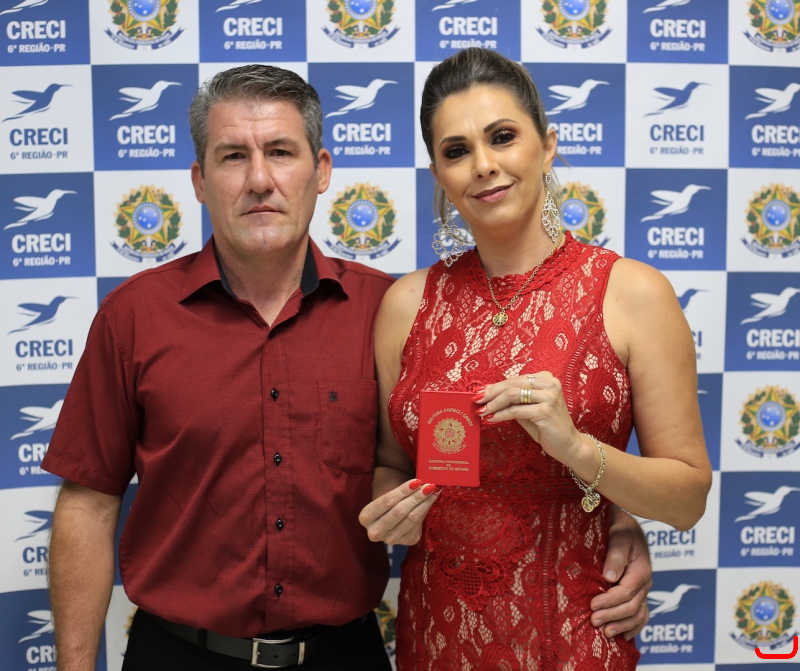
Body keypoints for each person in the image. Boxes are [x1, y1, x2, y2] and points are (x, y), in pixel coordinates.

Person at [42, 64, 652, 671]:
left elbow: (489, 457)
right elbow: (87, 503)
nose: (259, 179)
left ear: (322, 171)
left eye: (281, 152)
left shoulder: (391, 311)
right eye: (232, 157)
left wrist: (615, 520)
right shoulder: (134, 316)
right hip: (178, 655)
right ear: (200, 180)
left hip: (344, 653)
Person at [359, 48, 712, 670]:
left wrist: (576, 448)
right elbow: (391, 462)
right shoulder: (405, 304)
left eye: (502, 137)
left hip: (572, 635)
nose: (484, 165)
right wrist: (394, 510)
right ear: (439, 174)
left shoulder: (632, 293)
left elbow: (687, 500)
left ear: (547, 147)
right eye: (457, 150)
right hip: (436, 635)